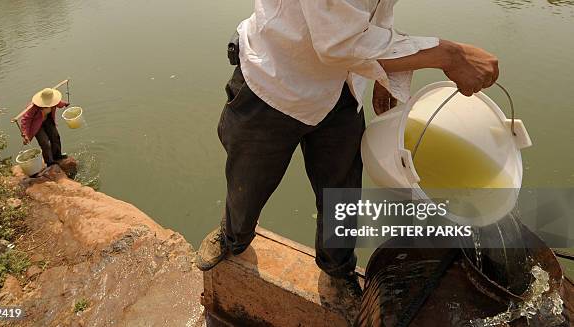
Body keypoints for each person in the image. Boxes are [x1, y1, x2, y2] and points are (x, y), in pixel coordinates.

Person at [196, 0, 499, 295]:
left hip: (343, 90)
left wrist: (386, 71)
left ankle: (337, 271)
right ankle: (233, 237)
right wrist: (449, 55)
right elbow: (337, 45)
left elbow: (373, 12)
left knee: (342, 193)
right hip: (275, 82)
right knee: (247, 184)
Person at [20, 88, 69, 167]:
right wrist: (25, 134)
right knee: (44, 142)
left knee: (55, 136)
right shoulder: (33, 107)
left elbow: (58, 103)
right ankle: (49, 162)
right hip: (37, 126)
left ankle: (57, 156)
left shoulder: (53, 102)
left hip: (48, 120)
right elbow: (25, 120)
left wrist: (64, 104)